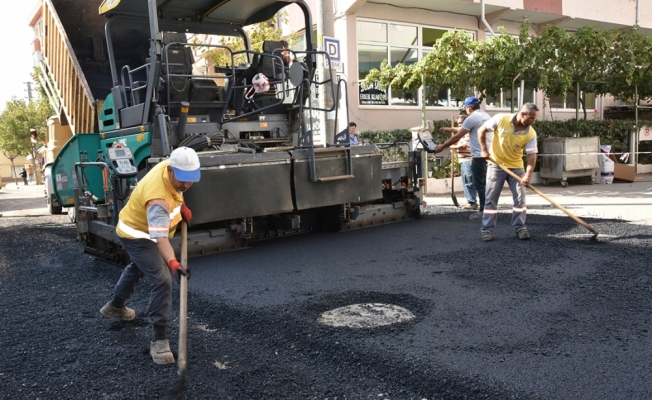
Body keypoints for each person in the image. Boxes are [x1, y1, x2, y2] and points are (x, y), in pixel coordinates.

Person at [100, 146, 200, 365]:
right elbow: (161, 239)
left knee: (137, 267)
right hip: (136, 234)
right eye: (183, 179)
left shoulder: (170, 167)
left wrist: (182, 205)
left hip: (145, 228)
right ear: (171, 171)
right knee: (162, 279)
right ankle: (160, 340)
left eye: (190, 180)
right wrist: (172, 263)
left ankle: (115, 307)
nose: (186, 185)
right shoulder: (157, 200)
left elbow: (176, 192)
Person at [478, 102, 539, 242]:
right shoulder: (501, 119)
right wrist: (483, 149)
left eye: (535, 119)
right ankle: (486, 230)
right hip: (496, 165)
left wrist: (528, 175)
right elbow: (481, 130)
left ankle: (520, 228)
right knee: (490, 200)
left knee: (520, 200)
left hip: (517, 167)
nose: (534, 121)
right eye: (532, 118)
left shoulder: (530, 133)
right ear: (523, 114)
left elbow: (531, 156)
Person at [433, 97, 491, 219]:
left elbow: (458, 136)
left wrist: (443, 146)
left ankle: (484, 211)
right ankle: (487, 208)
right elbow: (465, 128)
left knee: (479, 184)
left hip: (478, 156)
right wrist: (450, 129)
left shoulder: (472, 118)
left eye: (466, 108)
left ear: (469, 108)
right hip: (488, 154)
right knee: (484, 183)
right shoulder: (485, 116)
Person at [452, 115, 478, 209]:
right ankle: (469, 200)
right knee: (465, 181)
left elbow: (463, 145)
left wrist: (453, 146)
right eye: (458, 123)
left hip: (468, 159)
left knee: (469, 181)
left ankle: (472, 202)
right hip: (463, 160)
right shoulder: (462, 133)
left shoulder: (469, 133)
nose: (459, 125)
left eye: (461, 123)